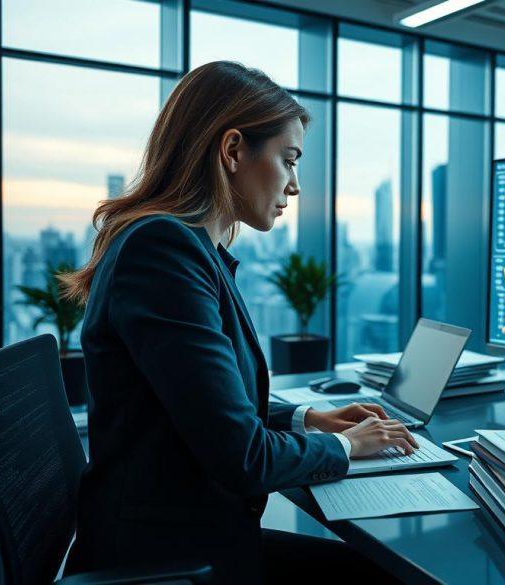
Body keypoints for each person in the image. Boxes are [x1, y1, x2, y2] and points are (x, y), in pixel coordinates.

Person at [58, 61, 415, 583]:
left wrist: (307, 420)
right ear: (231, 151)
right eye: (288, 160)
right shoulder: (164, 252)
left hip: (186, 534)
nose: (294, 185)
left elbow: (203, 403)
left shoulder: (185, 248)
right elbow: (242, 457)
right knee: (390, 574)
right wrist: (349, 445)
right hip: (168, 559)